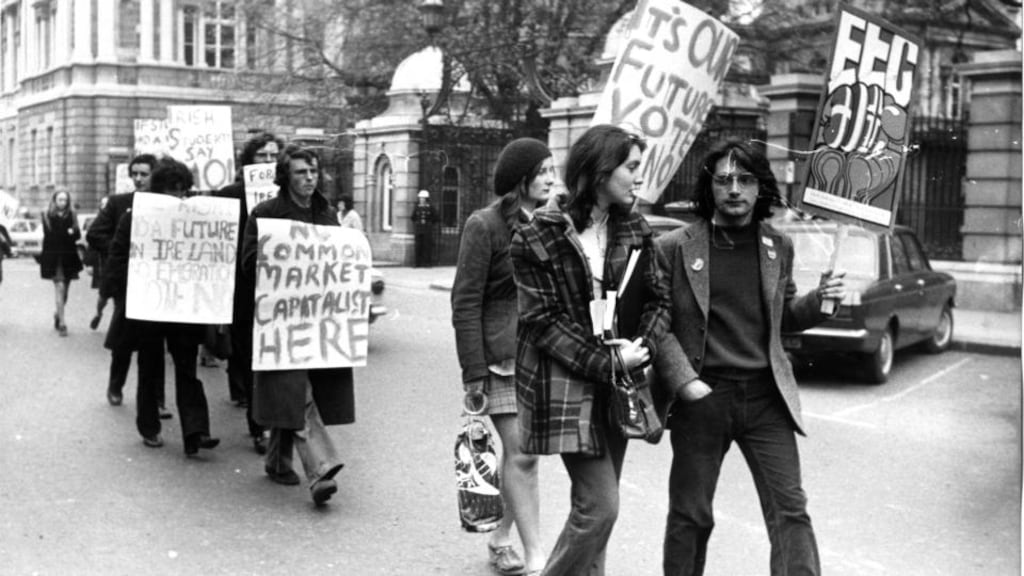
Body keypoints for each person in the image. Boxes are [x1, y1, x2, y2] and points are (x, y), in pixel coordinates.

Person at [653, 139, 846, 576]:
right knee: (691, 514)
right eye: (723, 180)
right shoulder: (674, 247)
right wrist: (685, 382)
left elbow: (784, 319)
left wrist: (821, 301)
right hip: (702, 397)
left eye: (745, 180)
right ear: (710, 188)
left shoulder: (778, 246)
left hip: (766, 398)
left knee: (790, 510)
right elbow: (656, 328)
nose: (734, 189)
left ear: (761, 188)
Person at [510, 125, 671, 576]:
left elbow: (660, 299)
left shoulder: (635, 227)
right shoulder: (537, 236)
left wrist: (643, 345)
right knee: (600, 508)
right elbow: (542, 323)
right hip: (566, 384)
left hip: (620, 382)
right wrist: (609, 360)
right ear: (601, 171)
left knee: (595, 510)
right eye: (632, 167)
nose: (639, 177)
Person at [452, 138, 555, 575]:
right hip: (499, 362)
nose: (553, 178)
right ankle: (536, 558)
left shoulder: (550, 224)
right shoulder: (485, 225)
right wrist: (473, 373)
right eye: (545, 171)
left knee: (524, 456)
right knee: (523, 454)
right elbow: (465, 302)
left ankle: (500, 538)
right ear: (522, 179)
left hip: (542, 358)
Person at [241, 146, 348, 505]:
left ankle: (276, 460)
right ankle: (320, 470)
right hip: (281, 319)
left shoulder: (326, 214)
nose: (309, 178)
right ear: (286, 176)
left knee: (298, 391)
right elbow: (249, 262)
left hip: (317, 318)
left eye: (313, 171)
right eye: (301, 172)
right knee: (296, 393)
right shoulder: (266, 213)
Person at [104, 157, 220, 455]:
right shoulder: (135, 218)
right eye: (171, 191)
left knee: (186, 369)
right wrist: (123, 296)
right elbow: (117, 258)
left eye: (181, 191)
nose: (176, 197)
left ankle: (197, 431)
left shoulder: (196, 219)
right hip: (148, 308)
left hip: (183, 309)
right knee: (149, 369)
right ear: (158, 191)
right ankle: (149, 426)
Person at [214, 131, 283, 454]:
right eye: (262, 156)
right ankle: (260, 428)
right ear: (248, 162)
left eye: (274, 156)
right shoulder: (229, 195)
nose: (269, 162)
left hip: (279, 291)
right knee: (251, 359)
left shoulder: (287, 197)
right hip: (242, 292)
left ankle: (272, 422)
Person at [88, 154, 169, 417]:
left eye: (144, 174)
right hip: (128, 283)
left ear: (154, 176)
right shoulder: (119, 203)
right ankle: (116, 384)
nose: (138, 178)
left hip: (157, 283)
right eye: (134, 173)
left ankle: (157, 399)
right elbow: (94, 233)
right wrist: (124, 249)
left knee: (155, 345)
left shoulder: (166, 203)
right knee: (123, 339)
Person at [39, 188, 84, 337]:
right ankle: (63, 324)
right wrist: (68, 232)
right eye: (60, 200)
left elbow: (77, 234)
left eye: (65, 200)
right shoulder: (47, 215)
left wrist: (71, 232)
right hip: (54, 257)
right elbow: (50, 235)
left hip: (68, 257)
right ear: (54, 200)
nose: (63, 203)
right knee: (59, 287)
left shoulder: (72, 215)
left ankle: (57, 314)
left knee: (65, 292)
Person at [88, 196, 110, 330]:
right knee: (104, 295)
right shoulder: (98, 221)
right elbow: (92, 244)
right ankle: (98, 312)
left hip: (118, 260)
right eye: (103, 204)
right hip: (103, 261)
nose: (105, 206)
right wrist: (89, 263)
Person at [412, 190, 436, 267]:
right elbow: (413, 217)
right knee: (418, 246)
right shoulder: (417, 207)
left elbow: (436, 217)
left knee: (427, 246)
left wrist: (430, 223)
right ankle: (417, 263)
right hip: (419, 229)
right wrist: (417, 223)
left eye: (423, 198)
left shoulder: (430, 208)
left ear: (426, 199)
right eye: (420, 198)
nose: (421, 200)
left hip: (427, 230)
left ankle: (427, 263)